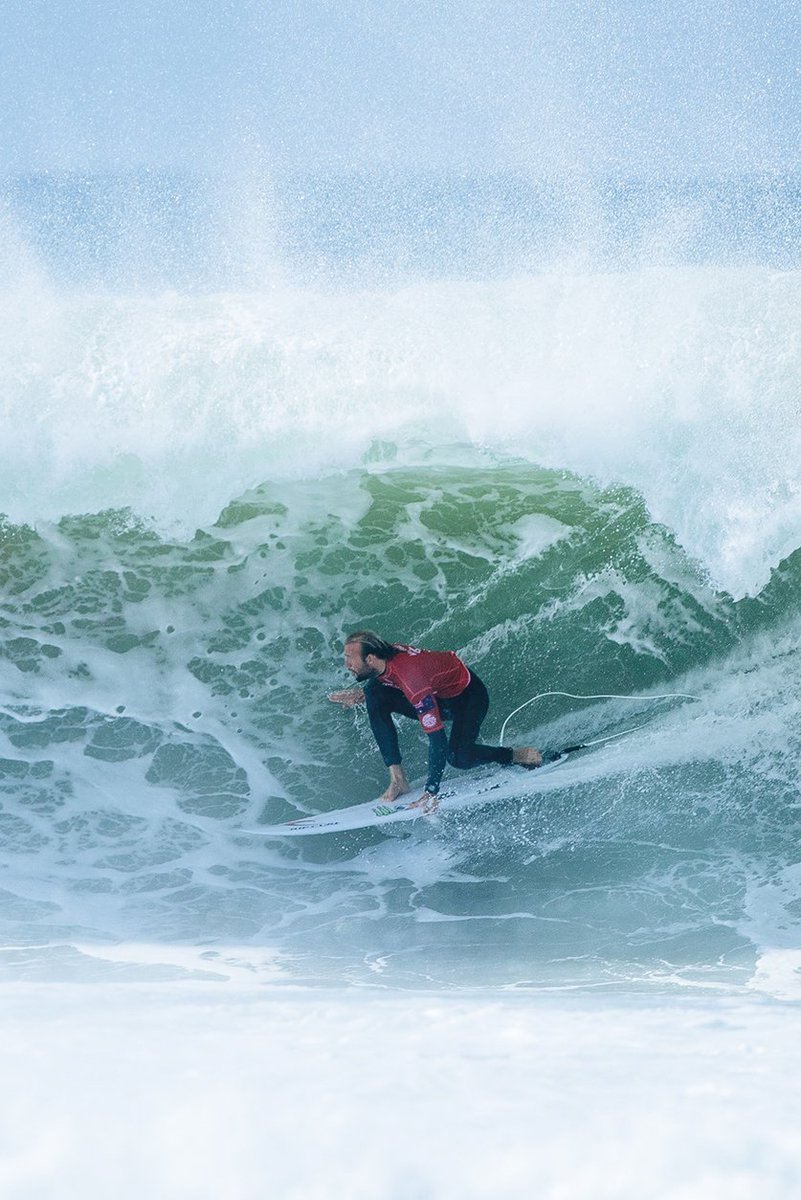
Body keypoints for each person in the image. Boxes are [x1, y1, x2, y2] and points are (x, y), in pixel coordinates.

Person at [328, 631, 542, 812]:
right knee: (373, 693)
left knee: (458, 757)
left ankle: (513, 755)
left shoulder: (411, 679)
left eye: (350, 658)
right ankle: (398, 779)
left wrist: (431, 791)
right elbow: (392, 680)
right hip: (437, 694)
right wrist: (363, 695)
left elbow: (437, 740)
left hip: (467, 699)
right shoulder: (384, 662)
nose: (347, 664)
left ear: (371, 659)